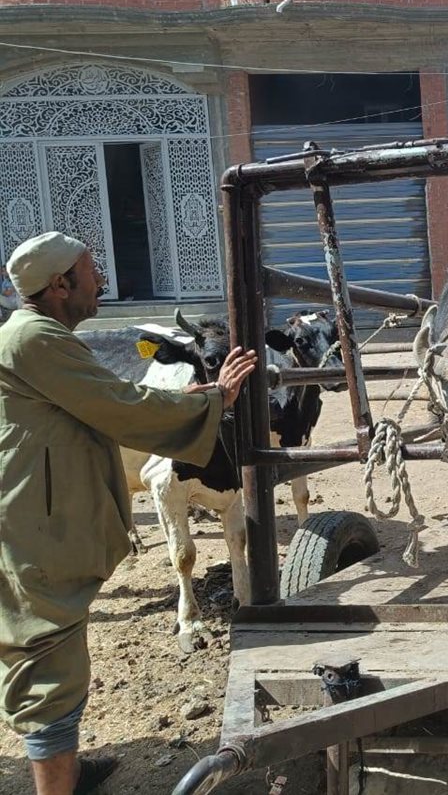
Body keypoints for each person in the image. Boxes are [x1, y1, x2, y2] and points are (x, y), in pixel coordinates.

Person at [0, 232, 257, 795]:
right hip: (34, 528)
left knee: (57, 649)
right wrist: (214, 400)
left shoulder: (41, 337)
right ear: (60, 284)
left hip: (40, 519)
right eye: (92, 270)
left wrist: (189, 399)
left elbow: (104, 397)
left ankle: (67, 769)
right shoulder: (33, 338)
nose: (102, 281)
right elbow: (118, 406)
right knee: (47, 660)